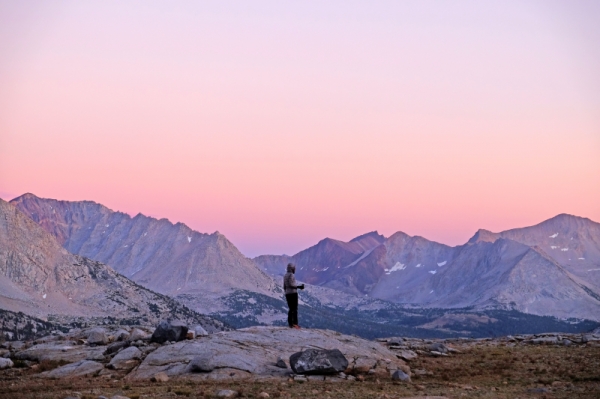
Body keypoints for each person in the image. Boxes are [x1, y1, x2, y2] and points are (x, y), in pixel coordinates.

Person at [283, 263, 304, 329]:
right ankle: (295, 324)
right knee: (295, 308)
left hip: (287, 294)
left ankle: (290, 324)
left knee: (290, 308)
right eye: (294, 268)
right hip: (293, 293)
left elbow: (284, 286)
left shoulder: (285, 275)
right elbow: (291, 284)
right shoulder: (291, 275)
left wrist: (286, 292)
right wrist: (299, 287)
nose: (295, 269)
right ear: (292, 268)